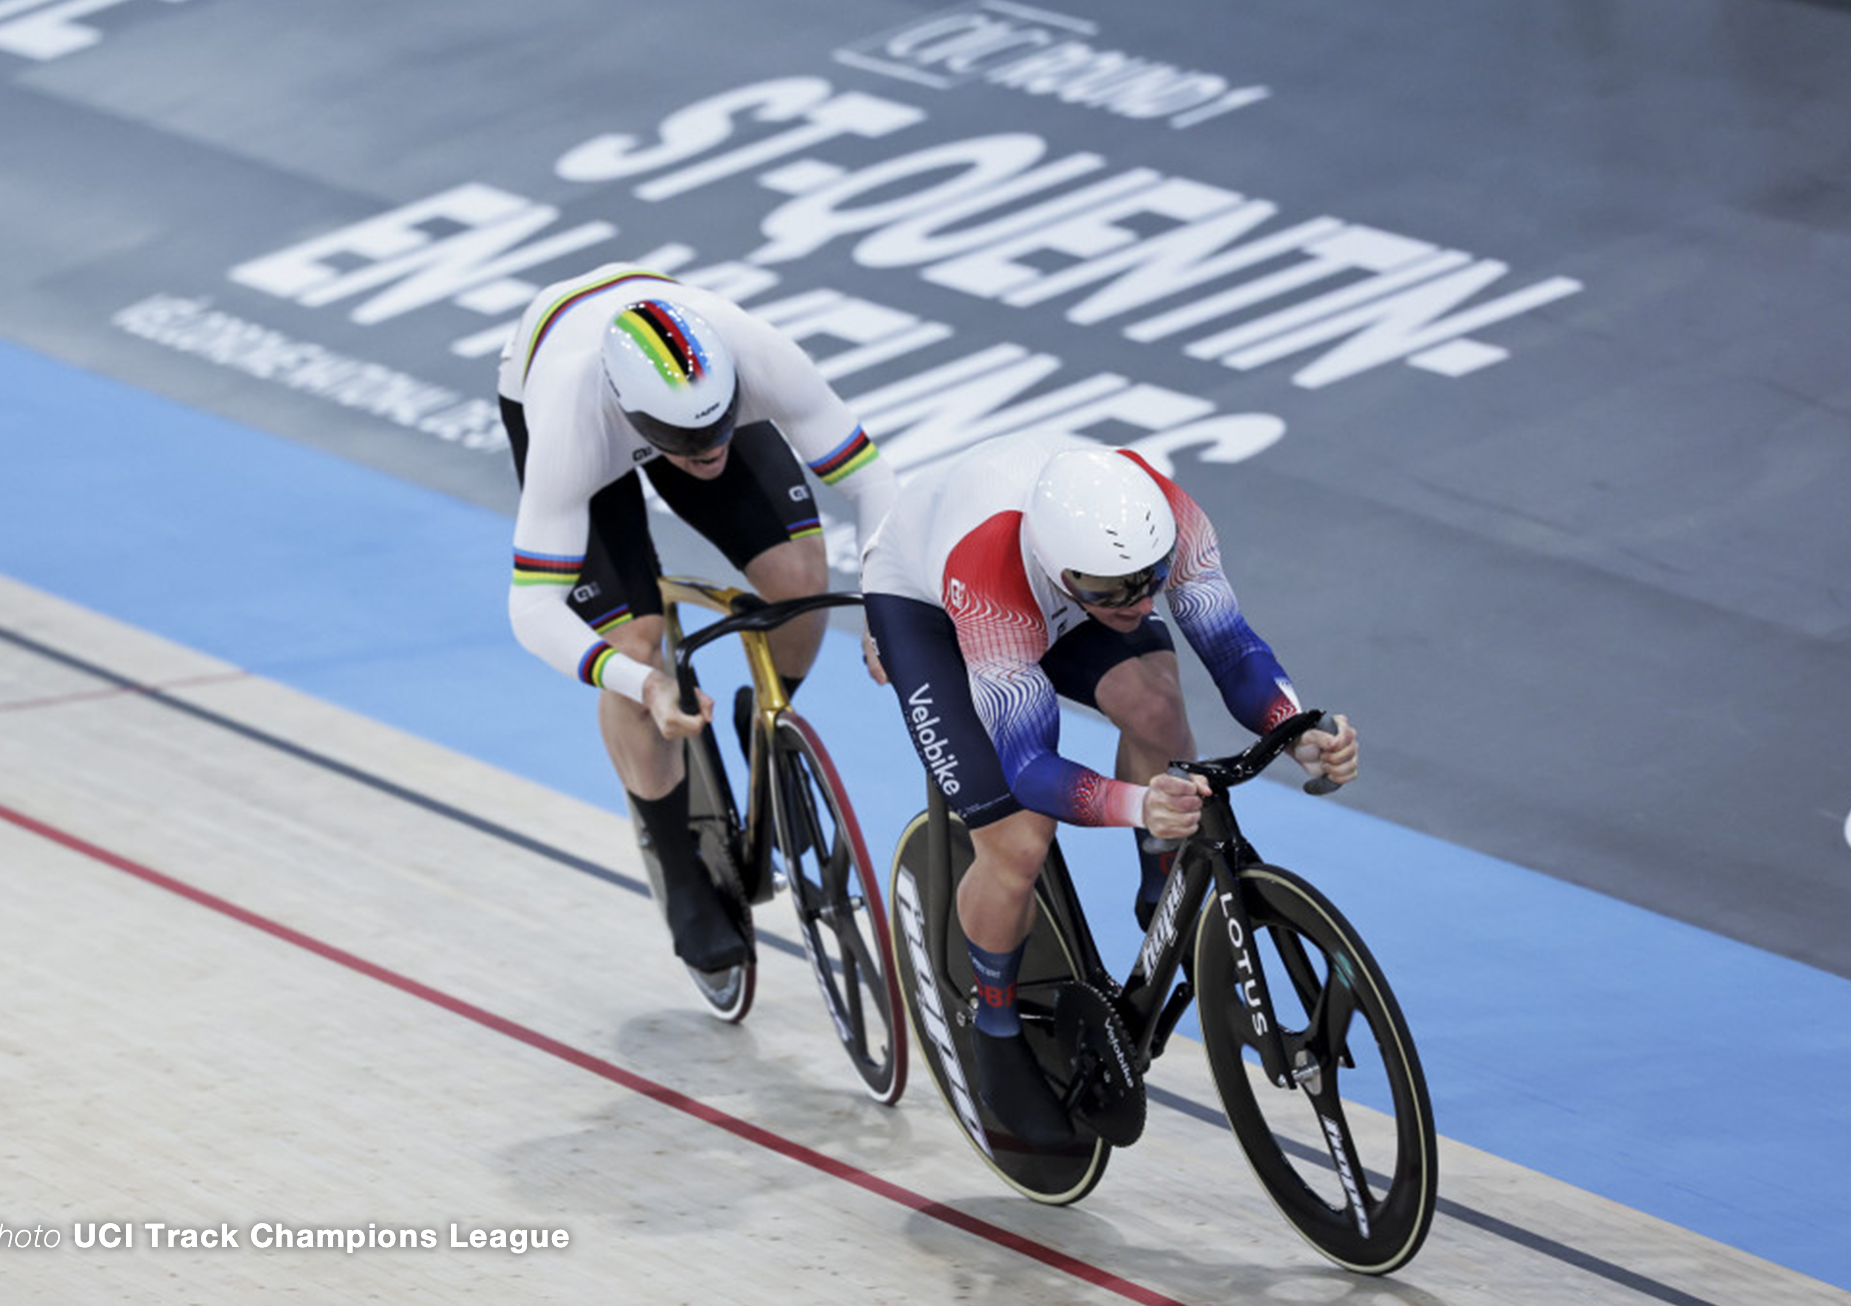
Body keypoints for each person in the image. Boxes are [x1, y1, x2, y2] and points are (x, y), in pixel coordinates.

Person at [861, 432, 1357, 1144]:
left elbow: (1231, 645)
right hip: (934, 608)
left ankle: (1162, 891)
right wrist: (1136, 803)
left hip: (1055, 594)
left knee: (1158, 710)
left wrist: (1295, 725)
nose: (1136, 603)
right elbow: (1029, 765)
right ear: (1065, 572)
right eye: (1112, 592)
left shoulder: (1167, 521)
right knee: (1019, 843)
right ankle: (994, 1026)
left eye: (1151, 581)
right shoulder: (992, 575)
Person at [500, 264, 897, 973]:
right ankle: (681, 868)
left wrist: (891, 606)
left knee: (800, 577)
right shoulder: (572, 421)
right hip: (551, 374)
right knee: (635, 641)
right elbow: (532, 608)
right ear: (634, 418)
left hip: (674, 378)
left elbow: (871, 480)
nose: (710, 450)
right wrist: (642, 685)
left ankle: (764, 719)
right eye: (687, 441)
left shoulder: (752, 353)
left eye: (720, 428)